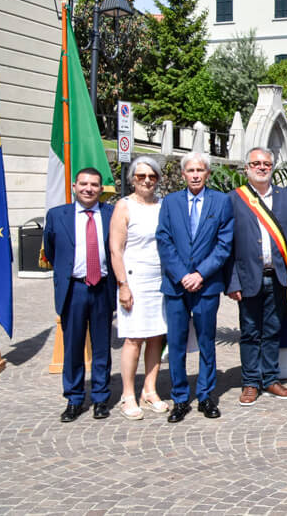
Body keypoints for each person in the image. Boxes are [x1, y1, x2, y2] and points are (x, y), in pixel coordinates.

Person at [156, 152, 234, 423]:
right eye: (191, 170)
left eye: (201, 170)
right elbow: (163, 240)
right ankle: (179, 398)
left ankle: (205, 395)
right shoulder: (170, 202)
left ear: (208, 173)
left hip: (207, 285)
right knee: (175, 344)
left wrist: (200, 273)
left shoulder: (221, 202)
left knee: (206, 342)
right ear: (183, 174)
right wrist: (181, 275)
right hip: (176, 287)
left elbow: (224, 245)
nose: (196, 175)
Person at [227, 148, 287, 406]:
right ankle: (251, 382)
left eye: (266, 163)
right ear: (246, 168)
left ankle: (271, 379)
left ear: (272, 167)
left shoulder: (286, 198)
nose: (261, 167)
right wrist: (232, 281)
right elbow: (227, 245)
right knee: (250, 331)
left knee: (273, 330)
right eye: (256, 163)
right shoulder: (234, 199)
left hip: (278, 277)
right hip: (248, 276)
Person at [43, 168, 117, 422]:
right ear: (74, 186)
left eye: (94, 185)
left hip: (102, 288)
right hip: (73, 289)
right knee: (73, 347)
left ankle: (100, 398)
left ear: (100, 188)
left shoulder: (111, 214)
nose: (88, 188)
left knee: (101, 347)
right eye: (84, 184)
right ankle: (74, 399)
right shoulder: (57, 216)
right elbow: (52, 251)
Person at [108, 156, 168, 420]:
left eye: (151, 176)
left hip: (159, 280)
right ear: (132, 178)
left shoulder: (162, 206)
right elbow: (115, 249)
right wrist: (123, 285)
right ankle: (128, 394)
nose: (146, 180)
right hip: (134, 279)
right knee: (133, 339)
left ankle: (150, 389)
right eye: (141, 176)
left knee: (156, 336)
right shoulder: (123, 206)